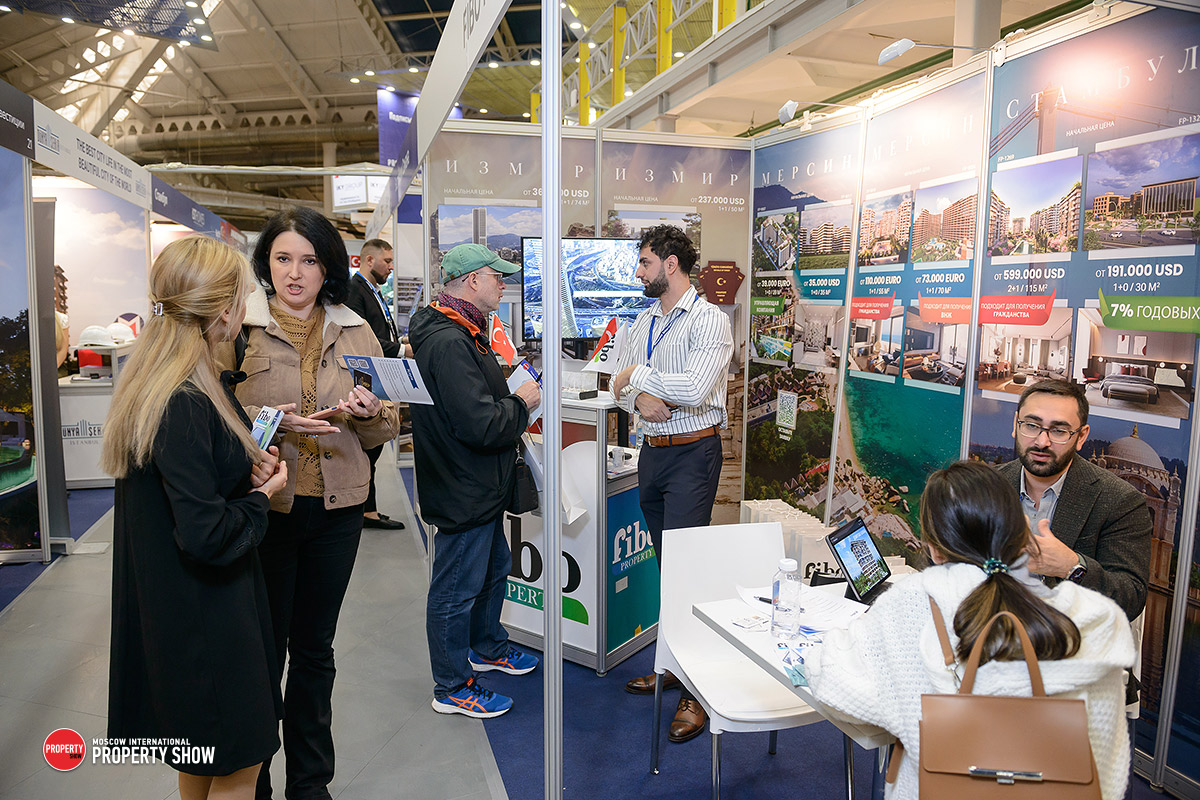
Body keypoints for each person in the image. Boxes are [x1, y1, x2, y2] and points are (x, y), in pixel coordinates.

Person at [804, 460, 1136, 800]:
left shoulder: (910, 604)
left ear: (934, 549)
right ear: (1020, 530)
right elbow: (1106, 762)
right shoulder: (1091, 622)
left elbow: (838, 683)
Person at [104, 235, 289, 800]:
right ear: (221, 310)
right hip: (208, 618)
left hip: (181, 611)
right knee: (238, 762)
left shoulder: (164, 383)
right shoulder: (184, 398)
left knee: (201, 751)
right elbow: (205, 534)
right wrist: (262, 497)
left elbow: (189, 488)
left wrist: (244, 470)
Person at [228, 207, 400, 800]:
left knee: (314, 650)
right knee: (263, 651)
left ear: (328, 267)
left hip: (337, 510)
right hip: (266, 507)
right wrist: (269, 421)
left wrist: (371, 412)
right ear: (266, 263)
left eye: (309, 260)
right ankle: (253, 782)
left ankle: (309, 784)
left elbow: (388, 423)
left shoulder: (357, 329)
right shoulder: (238, 329)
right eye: (283, 258)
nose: (295, 273)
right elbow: (214, 416)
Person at [609, 225, 734, 743]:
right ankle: (675, 668)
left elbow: (696, 388)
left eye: (644, 262)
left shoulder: (710, 321)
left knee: (689, 572)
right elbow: (612, 382)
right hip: (653, 455)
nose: (638, 272)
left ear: (671, 264)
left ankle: (697, 692)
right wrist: (636, 396)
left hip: (692, 455)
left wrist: (636, 378)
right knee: (669, 569)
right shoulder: (642, 321)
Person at [409, 242, 541, 719]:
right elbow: (481, 424)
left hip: (477, 485)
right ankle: (451, 685)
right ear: (471, 281)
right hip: (463, 487)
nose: (503, 285)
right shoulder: (450, 342)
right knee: (455, 590)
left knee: (491, 570)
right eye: (496, 276)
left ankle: (487, 646)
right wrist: (523, 401)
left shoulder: (464, 332)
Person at [998, 378, 1151, 621]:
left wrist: (1071, 566)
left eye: (1059, 431)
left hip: (1067, 638)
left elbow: (1130, 598)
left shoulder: (1120, 501)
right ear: (1016, 424)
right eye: (1031, 426)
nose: (1042, 442)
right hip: (987, 631)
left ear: (1081, 437)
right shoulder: (987, 485)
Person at [343, 238, 406, 531]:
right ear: (369, 260)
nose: (391, 267)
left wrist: (400, 342)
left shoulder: (371, 290)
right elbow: (362, 340)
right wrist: (403, 350)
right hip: (368, 378)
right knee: (369, 450)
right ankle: (365, 511)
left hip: (380, 374)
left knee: (375, 449)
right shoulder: (355, 291)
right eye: (387, 261)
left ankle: (369, 509)